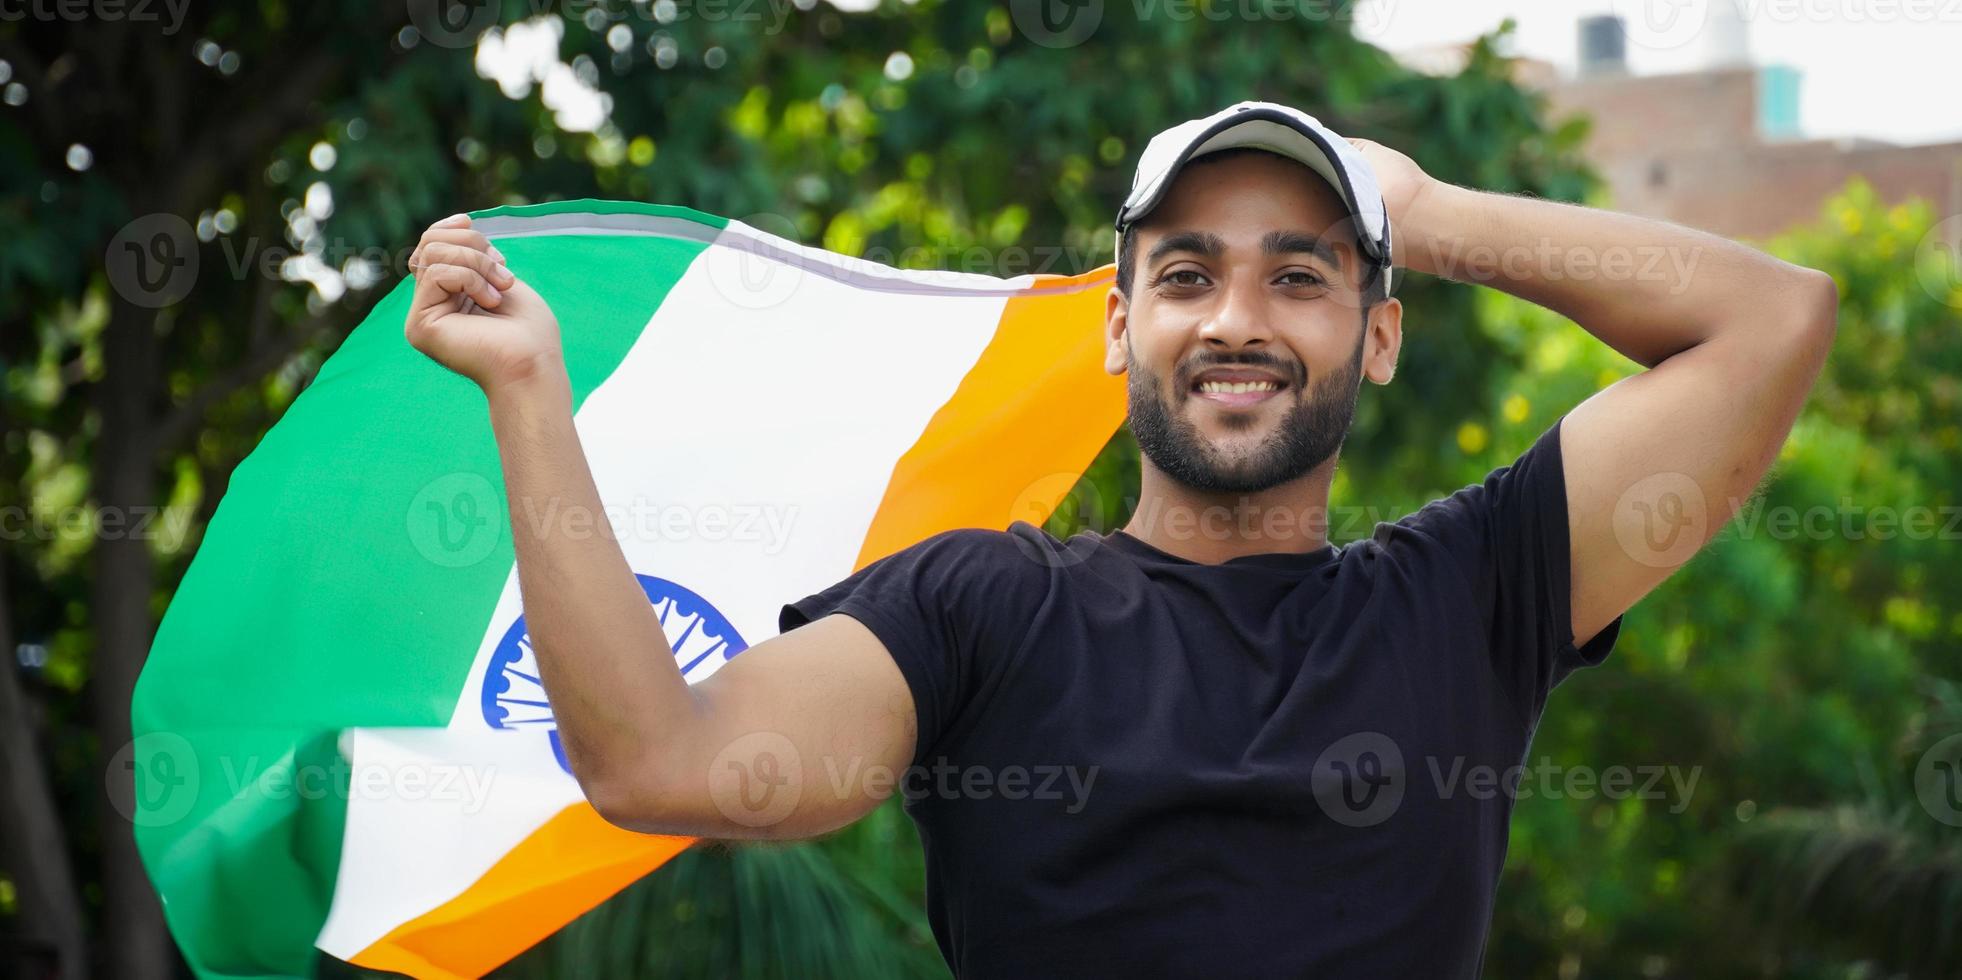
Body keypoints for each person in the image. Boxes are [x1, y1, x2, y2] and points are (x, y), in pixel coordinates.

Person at [402, 101, 1837, 977]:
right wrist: (529, 389)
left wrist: (1430, 214)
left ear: (1378, 334)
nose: (1235, 320)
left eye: (1300, 276)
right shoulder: (978, 608)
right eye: (1186, 274)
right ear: (1118, 324)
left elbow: (1771, 319)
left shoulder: (1466, 596)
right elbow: (659, 762)